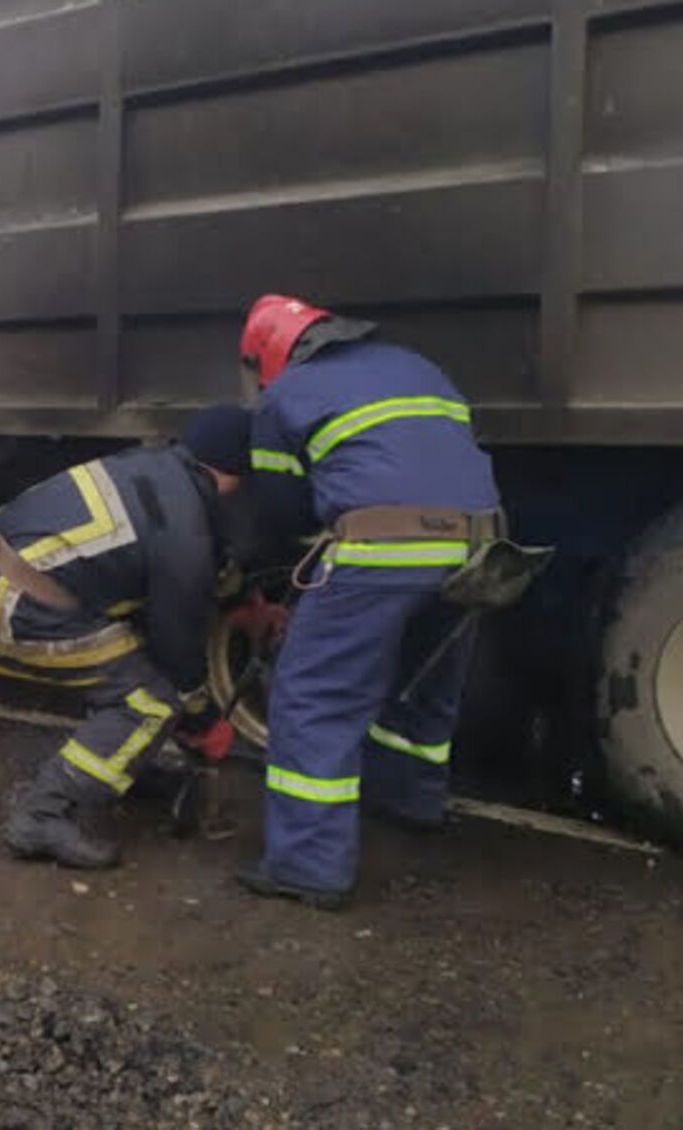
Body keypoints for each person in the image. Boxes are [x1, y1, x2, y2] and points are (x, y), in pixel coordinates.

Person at [237, 294, 502, 910]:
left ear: (269, 355)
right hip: (479, 544)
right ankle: (409, 798)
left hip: (387, 546)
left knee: (313, 697)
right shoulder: (416, 365)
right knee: (421, 676)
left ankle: (306, 866)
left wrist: (263, 563)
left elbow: (280, 507)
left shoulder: (284, 395)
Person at [0, 407, 251, 869]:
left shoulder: (154, 466)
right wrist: (201, 717)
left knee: (133, 663)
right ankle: (41, 813)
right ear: (231, 473)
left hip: (0, 584)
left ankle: (125, 762)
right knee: (150, 699)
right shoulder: (185, 530)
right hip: (21, 611)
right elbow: (178, 646)